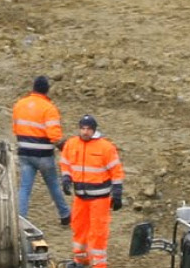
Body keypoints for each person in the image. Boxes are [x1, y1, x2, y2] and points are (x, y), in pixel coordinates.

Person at [58, 114, 124, 268]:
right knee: (78, 229)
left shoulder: (106, 147)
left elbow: (116, 171)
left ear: (94, 130)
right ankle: (80, 260)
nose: (85, 132)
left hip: (100, 200)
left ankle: (99, 264)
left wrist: (118, 193)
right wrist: (66, 178)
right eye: (82, 128)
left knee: (98, 233)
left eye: (88, 129)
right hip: (80, 198)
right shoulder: (71, 144)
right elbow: (65, 163)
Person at [10, 75, 68, 227]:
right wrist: (64, 147)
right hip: (44, 155)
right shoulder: (49, 108)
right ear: (47, 90)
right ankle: (65, 214)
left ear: (33, 88)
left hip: (24, 152)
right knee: (54, 185)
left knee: (24, 188)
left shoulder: (19, 104)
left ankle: (20, 218)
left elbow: (15, 129)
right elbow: (54, 135)